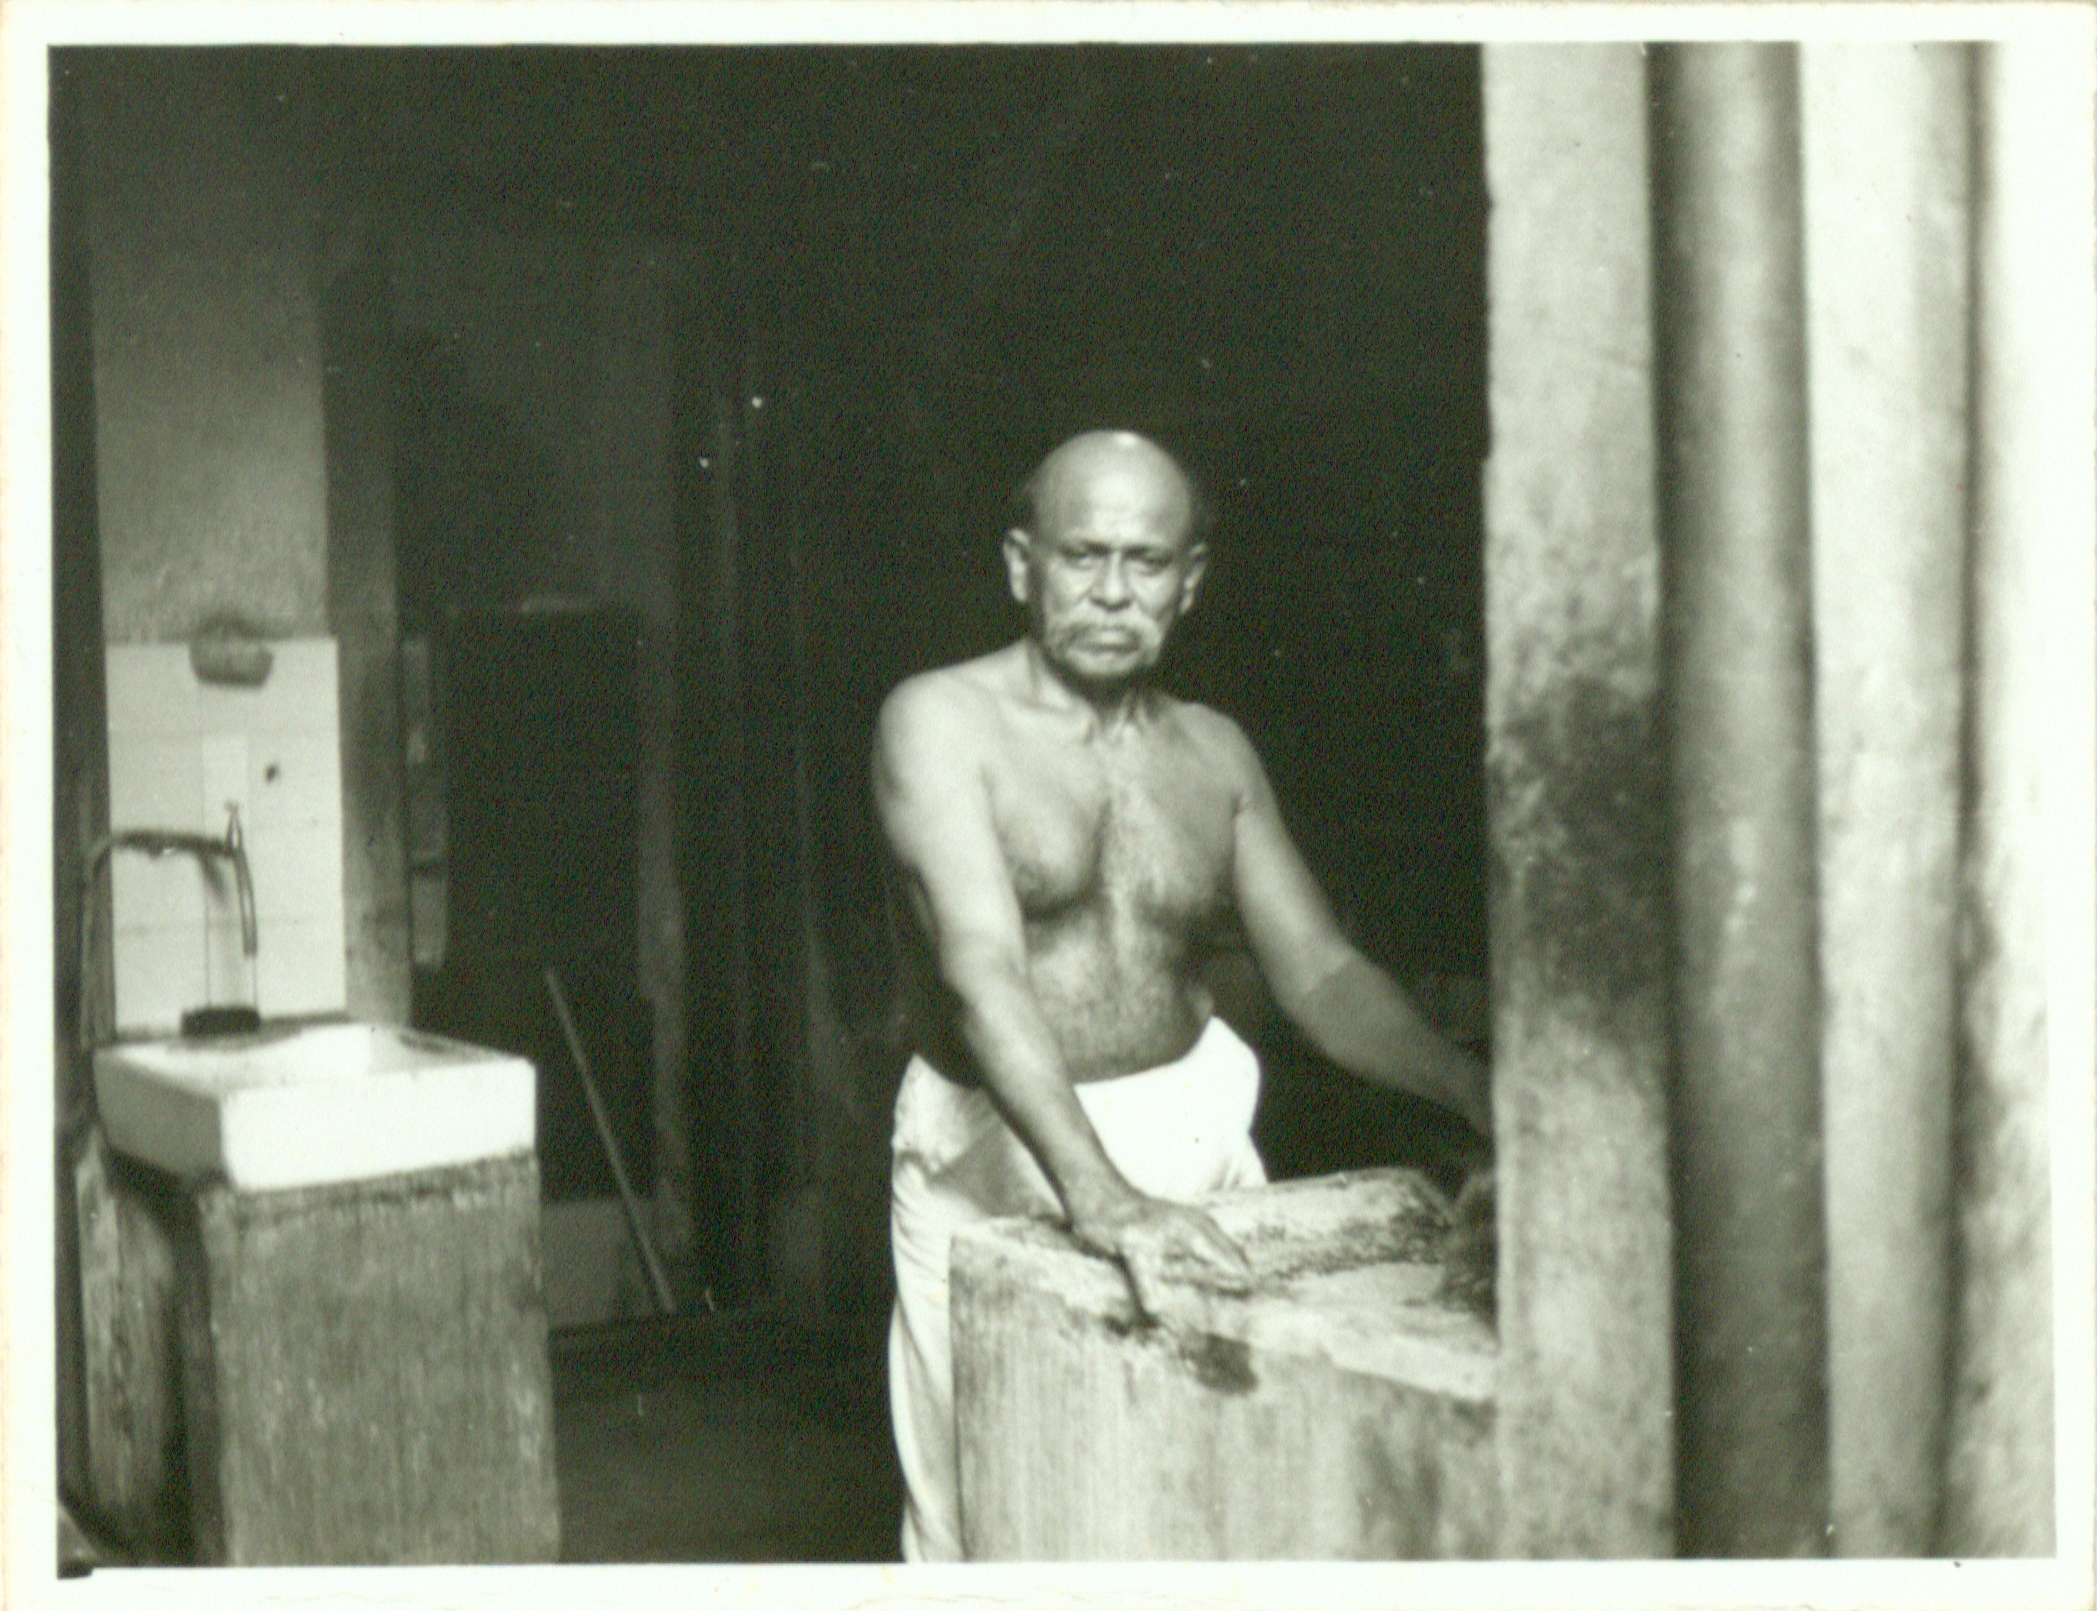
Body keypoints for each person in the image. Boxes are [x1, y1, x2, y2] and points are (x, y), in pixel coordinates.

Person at [873, 427, 1490, 1562]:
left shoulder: (1215, 752)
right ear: (1023, 565)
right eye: (1081, 554)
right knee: (994, 1530)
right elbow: (982, 976)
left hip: (1195, 1148)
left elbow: (1322, 974)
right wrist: (1099, 1196)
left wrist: (1480, 1094)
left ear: (1189, 581)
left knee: (1205, 1511)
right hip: (1004, 1155)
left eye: (1144, 562)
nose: (1111, 590)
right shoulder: (939, 721)